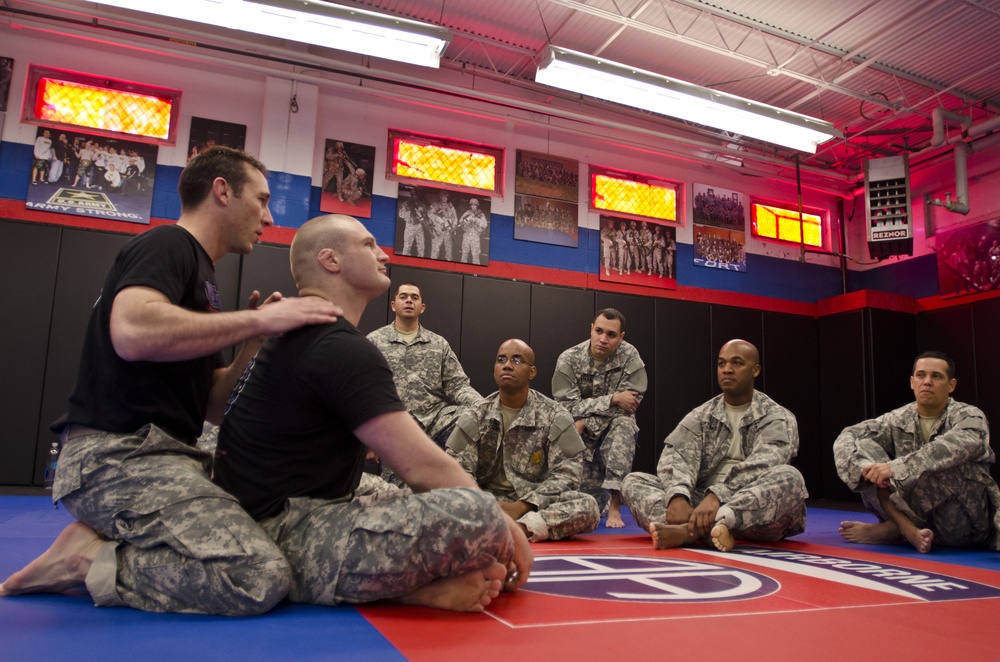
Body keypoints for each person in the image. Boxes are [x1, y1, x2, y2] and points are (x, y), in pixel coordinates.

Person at [0, 146, 342, 615]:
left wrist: (252, 346)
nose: (268, 215)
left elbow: (211, 407)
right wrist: (254, 322)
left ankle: (99, 538)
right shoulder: (168, 245)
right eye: (261, 200)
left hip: (167, 454)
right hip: (116, 456)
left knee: (268, 523)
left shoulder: (203, 278)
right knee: (256, 576)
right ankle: (88, 559)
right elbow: (132, 332)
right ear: (222, 191)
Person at [212, 214, 531, 612]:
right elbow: (423, 469)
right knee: (476, 513)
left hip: (291, 509)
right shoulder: (336, 344)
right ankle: (361, 582)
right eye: (368, 245)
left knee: (396, 494)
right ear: (331, 260)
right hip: (276, 530)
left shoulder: (298, 332)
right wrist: (505, 526)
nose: (382, 254)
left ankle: (398, 587)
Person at [621, 339, 808, 552]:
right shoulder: (702, 415)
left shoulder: (777, 416)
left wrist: (718, 496)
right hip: (701, 505)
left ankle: (691, 531)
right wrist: (678, 496)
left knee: (790, 477)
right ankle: (711, 530)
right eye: (721, 364)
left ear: (755, 370)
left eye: (737, 363)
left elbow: (767, 463)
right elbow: (676, 456)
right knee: (632, 481)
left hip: (749, 508)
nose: (727, 369)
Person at [833, 351, 1000, 553]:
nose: (927, 382)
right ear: (912, 382)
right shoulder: (898, 418)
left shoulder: (969, 415)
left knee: (940, 464)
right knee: (864, 449)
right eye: (921, 375)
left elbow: (957, 446)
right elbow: (848, 435)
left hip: (962, 525)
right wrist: (867, 469)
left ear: (951, 385)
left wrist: (897, 467)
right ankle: (904, 527)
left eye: (936, 376)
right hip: (911, 513)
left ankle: (896, 529)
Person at [447, 339, 600, 541]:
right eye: (501, 360)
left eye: (517, 360)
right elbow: (456, 468)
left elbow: (568, 475)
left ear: (532, 372)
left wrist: (521, 507)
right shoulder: (475, 416)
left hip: (534, 505)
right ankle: (494, 526)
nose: (507, 365)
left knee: (587, 506)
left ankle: (519, 529)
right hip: (485, 502)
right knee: (435, 499)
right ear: (494, 369)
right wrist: (483, 504)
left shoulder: (555, 416)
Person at [552, 309, 646, 528]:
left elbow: (629, 406)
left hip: (608, 429)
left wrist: (586, 421)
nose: (603, 340)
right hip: (578, 435)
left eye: (611, 335)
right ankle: (600, 501)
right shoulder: (569, 359)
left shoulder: (631, 358)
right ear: (591, 329)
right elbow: (565, 407)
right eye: (599, 331)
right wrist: (612, 398)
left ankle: (615, 506)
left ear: (621, 337)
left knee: (623, 425)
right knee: (588, 504)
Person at [367, 282, 481, 448]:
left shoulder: (438, 344)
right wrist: (367, 440)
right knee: (400, 474)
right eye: (403, 297)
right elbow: (364, 391)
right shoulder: (374, 342)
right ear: (393, 305)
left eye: (414, 298)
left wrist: (484, 407)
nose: (409, 301)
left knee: (471, 416)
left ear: (422, 307)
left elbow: (458, 386)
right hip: (394, 427)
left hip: (435, 424)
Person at [458, 197, 488, 265]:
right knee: (464, 256)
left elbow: (485, 224)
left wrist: (475, 220)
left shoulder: (481, 214)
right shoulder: (467, 213)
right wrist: (466, 222)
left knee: (476, 257)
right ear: (470, 205)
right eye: (472, 205)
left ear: (477, 205)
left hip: (475, 236)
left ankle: (475, 273)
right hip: (467, 235)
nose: (473, 206)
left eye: (475, 205)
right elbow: (460, 222)